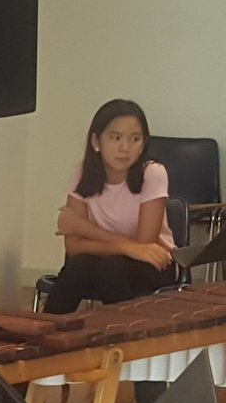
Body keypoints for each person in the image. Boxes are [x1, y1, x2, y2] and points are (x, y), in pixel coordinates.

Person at [44, 99, 174, 314]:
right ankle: (43, 338)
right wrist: (126, 247)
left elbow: (145, 245)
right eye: (115, 138)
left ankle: (125, 338)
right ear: (96, 141)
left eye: (135, 139)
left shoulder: (153, 173)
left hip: (153, 264)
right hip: (100, 263)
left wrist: (83, 228)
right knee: (78, 266)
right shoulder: (82, 172)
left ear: (143, 144)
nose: (125, 148)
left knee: (110, 268)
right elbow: (74, 247)